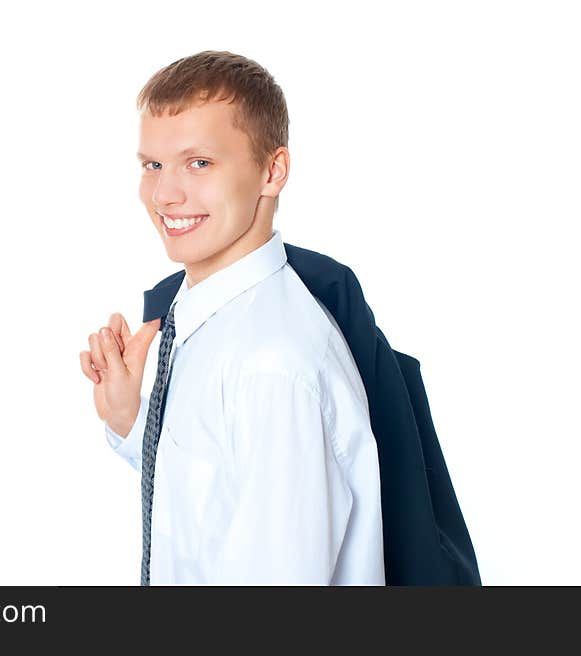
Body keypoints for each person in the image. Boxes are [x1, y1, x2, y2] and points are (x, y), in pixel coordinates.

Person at [79, 50, 385, 585]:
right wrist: (134, 424)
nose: (164, 193)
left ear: (273, 171)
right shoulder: (214, 317)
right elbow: (212, 506)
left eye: (199, 162)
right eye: (153, 164)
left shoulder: (273, 365)